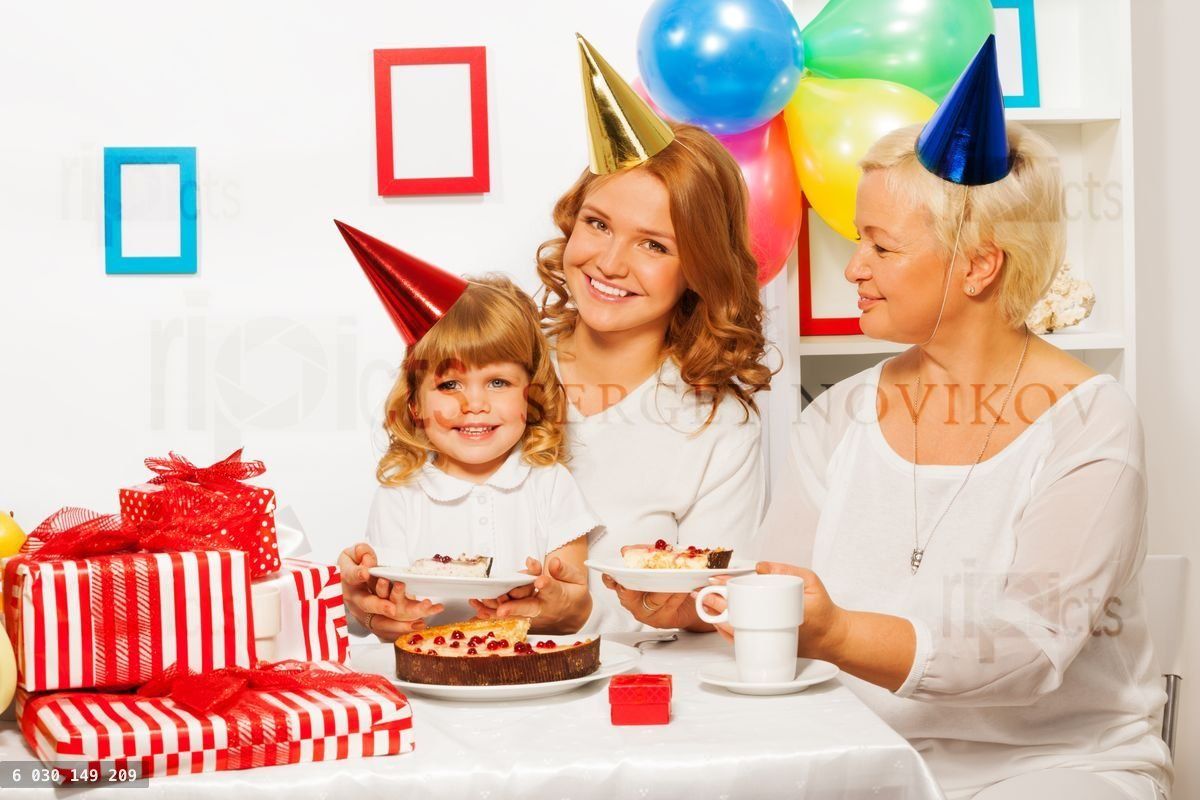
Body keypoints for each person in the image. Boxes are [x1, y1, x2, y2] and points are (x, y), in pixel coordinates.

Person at [703, 39, 1172, 800]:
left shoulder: (1090, 422)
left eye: (879, 246)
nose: (854, 267)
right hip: (861, 761)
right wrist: (699, 606)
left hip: (1051, 770)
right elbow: (779, 596)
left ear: (979, 265)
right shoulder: (838, 418)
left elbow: (1028, 650)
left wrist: (838, 632)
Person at [534, 36, 773, 633]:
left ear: (698, 268)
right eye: (598, 224)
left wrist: (591, 610)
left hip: (630, 702)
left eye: (653, 245)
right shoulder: (493, 366)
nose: (610, 263)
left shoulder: (717, 424)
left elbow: (704, 609)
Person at [333, 226, 601, 640]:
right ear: (415, 404)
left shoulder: (549, 484)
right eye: (449, 385)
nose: (473, 404)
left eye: (497, 383)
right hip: (428, 672)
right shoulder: (402, 493)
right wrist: (391, 610)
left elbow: (574, 607)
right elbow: (386, 616)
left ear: (531, 396)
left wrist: (550, 600)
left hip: (528, 671)